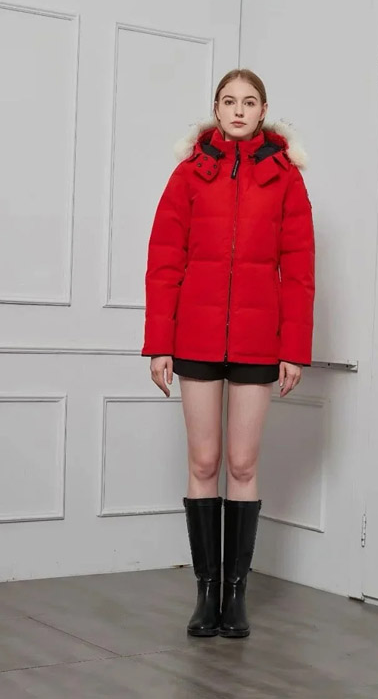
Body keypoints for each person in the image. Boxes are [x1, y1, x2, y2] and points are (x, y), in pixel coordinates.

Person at [141, 68, 315, 638]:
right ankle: (206, 594)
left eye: (249, 101)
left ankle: (235, 596)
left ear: (263, 111)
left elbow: (300, 271)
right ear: (216, 109)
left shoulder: (285, 179)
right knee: (204, 463)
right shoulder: (189, 174)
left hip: (258, 343)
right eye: (229, 101)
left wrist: (294, 349)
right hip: (194, 338)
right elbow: (164, 261)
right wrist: (159, 344)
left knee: (242, 465)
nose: (238, 110)